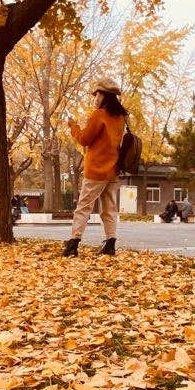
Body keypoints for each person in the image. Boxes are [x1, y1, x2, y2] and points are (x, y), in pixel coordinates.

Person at [63, 80, 127, 257]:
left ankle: (73, 243)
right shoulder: (120, 118)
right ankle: (110, 243)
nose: (95, 98)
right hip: (113, 170)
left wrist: (73, 126)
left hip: (97, 170)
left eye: (98, 94)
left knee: (84, 206)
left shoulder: (99, 115)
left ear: (105, 96)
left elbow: (84, 139)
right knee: (109, 209)